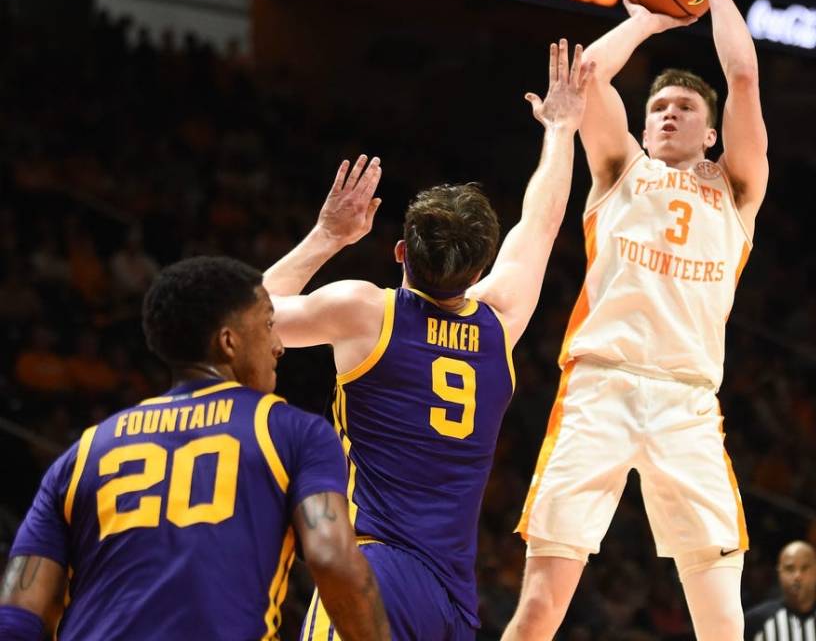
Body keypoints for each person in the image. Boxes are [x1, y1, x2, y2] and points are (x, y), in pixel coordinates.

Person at [262, 40, 594, 641]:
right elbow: (541, 222)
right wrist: (562, 130)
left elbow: (246, 316)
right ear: (479, 269)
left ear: (398, 253)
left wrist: (327, 236)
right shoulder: (500, 324)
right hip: (452, 598)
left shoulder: (364, 311)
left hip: (372, 571)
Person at [504, 0, 770, 641]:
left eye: (685, 109)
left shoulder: (736, 190)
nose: (669, 114)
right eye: (659, 109)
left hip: (687, 401)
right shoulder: (622, 171)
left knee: (723, 625)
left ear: (712, 135)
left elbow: (742, 79)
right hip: (601, 388)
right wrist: (649, 18)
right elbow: (586, 79)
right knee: (539, 607)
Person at [0, 256, 389, 641]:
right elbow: (331, 558)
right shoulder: (291, 431)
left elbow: (17, 612)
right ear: (228, 342)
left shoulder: (83, 453)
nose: (278, 346)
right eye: (269, 326)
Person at [745, 541, 816, 641]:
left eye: (805, 568)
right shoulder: (755, 622)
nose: (797, 576)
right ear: (779, 573)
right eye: (790, 568)